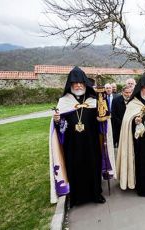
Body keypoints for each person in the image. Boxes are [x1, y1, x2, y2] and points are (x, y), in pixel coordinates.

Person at [49, 66, 106, 207]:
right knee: (75, 169)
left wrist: (103, 117)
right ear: (70, 85)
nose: (79, 85)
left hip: (91, 143)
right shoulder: (64, 102)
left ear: (85, 84)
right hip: (72, 145)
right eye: (75, 83)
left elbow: (102, 121)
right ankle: (75, 198)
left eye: (81, 83)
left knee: (93, 167)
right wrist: (57, 120)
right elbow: (60, 128)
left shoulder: (93, 100)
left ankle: (96, 194)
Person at [116, 73, 145, 197]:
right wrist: (133, 121)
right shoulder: (133, 104)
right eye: (144, 88)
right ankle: (140, 187)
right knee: (139, 164)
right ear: (140, 89)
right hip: (137, 143)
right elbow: (126, 123)